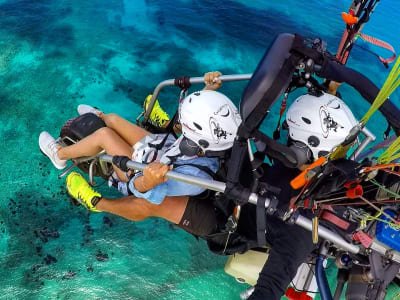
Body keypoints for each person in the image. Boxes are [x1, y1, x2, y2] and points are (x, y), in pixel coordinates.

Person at [63, 91, 359, 300]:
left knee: (157, 201)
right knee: (182, 153)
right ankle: (181, 132)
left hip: (226, 222)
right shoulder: (325, 167)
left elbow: (270, 287)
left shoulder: (302, 231)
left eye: (293, 140)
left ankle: (99, 203)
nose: (287, 143)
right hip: (238, 178)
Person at [39, 72, 242, 206]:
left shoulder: (197, 179)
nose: (181, 129)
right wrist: (208, 91)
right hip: (160, 150)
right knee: (112, 119)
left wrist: (147, 181)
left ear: (194, 141)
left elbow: (143, 191)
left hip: (137, 173)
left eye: (186, 132)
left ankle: (59, 155)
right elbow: (204, 122)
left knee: (104, 135)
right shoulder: (213, 140)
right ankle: (101, 117)